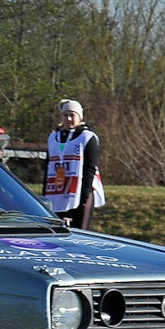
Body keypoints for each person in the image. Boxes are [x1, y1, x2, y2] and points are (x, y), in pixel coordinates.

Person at [43, 98, 105, 230]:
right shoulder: (53, 138)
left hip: (81, 191)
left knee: (79, 231)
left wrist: (84, 197)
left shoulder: (87, 137)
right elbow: (48, 167)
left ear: (79, 117)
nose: (68, 119)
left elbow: (89, 168)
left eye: (72, 115)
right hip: (58, 191)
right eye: (65, 115)